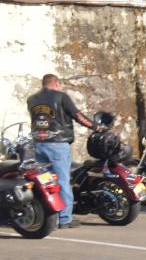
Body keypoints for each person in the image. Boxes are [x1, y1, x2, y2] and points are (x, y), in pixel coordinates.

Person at [26, 73, 101, 228]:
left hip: (38, 144)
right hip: (57, 144)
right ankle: (64, 218)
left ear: (43, 84)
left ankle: (47, 216)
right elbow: (78, 116)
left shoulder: (31, 99)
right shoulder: (61, 97)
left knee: (44, 181)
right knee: (62, 181)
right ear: (57, 83)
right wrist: (96, 127)